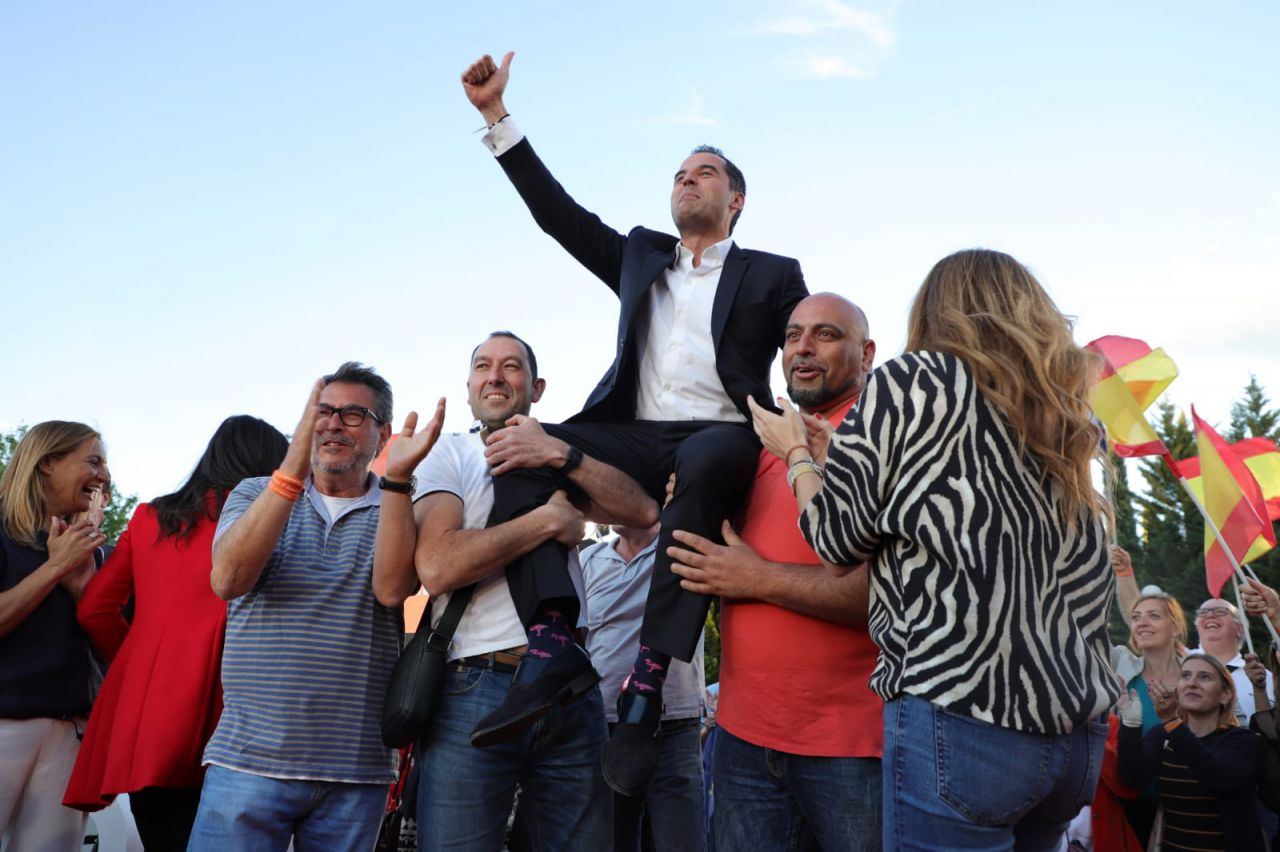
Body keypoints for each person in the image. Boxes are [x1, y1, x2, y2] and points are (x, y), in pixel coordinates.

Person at [460, 52, 808, 790]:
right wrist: (497, 118)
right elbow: (558, 216)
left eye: (704, 172)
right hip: (633, 429)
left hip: (723, 429)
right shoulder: (641, 256)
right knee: (523, 443)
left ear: (736, 200)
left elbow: (808, 355)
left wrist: (810, 435)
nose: (687, 180)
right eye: (680, 173)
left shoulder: (774, 272)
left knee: (714, 459)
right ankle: (552, 642)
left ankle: (649, 684)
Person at [752, 249, 1117, 849]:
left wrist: (795, 453)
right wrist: (839, 457)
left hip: (964, 713)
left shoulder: (911, 379)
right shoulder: (1061, 406)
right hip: (1073, 733)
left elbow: (836, 539)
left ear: (933, 310)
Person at [372, 331, 658, 851]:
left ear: (537, 387)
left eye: (511, 366)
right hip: (475, 684)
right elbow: (437, 567)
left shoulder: (559, 453)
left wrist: (564, 456)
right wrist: (548, 521)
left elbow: (642, 512)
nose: (496, 376)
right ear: (469, 387)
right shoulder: (450, 455)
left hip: (570, 690)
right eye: (483, 366)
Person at [666, 292, 883, 850]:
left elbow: (880, 595)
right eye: (792, 335)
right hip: (742, 741)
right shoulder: (763, 441)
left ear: (867, 354)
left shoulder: (882, 438)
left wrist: (754, 578)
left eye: (826, 334)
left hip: (853, 747)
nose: (803, 348)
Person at [186, 363, 419, 851]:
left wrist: (398, 485)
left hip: (355, 772)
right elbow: (228, 579)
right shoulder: (254, 492)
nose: (333, 424)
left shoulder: (400, 509)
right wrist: (289, 475)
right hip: (247, 762)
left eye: (353, 414)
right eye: (323, 412)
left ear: (384, 434)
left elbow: (394, 591)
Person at [63, 415, 288, 849]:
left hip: (148, 718)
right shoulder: (265, 524)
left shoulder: (151, 516)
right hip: (235, 710)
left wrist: (137, 659)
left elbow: (95, 610)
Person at [0, 421, 109, 851]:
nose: (103, 475)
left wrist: (85, 589)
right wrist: (54, 569)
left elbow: (114, 650)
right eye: (93, 461)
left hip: (69, 733)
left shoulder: (92, 550)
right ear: (48, 462)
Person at [580, 521, 706, 852]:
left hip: (674, 723)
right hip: (604, 722)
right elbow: (578, 638)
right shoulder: (589, 558)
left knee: (682, 842)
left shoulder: (683, 547)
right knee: (610, 841)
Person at [1117, 653, 1265, 850]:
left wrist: (1172, 722)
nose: (1192, 683)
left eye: (1205, 677)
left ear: (1225, 695)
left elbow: (1217, 778)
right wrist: (1130, 725)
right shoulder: (1162, 735)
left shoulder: (1241, 740)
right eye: (1185, 676)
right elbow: (1132, 780)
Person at [1189, 596, 1273, 724]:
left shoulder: (1267, 679)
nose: (1210, 615)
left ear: (1239, 629)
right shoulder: (1178, 664)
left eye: (1220, 611)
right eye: (1203, 613)